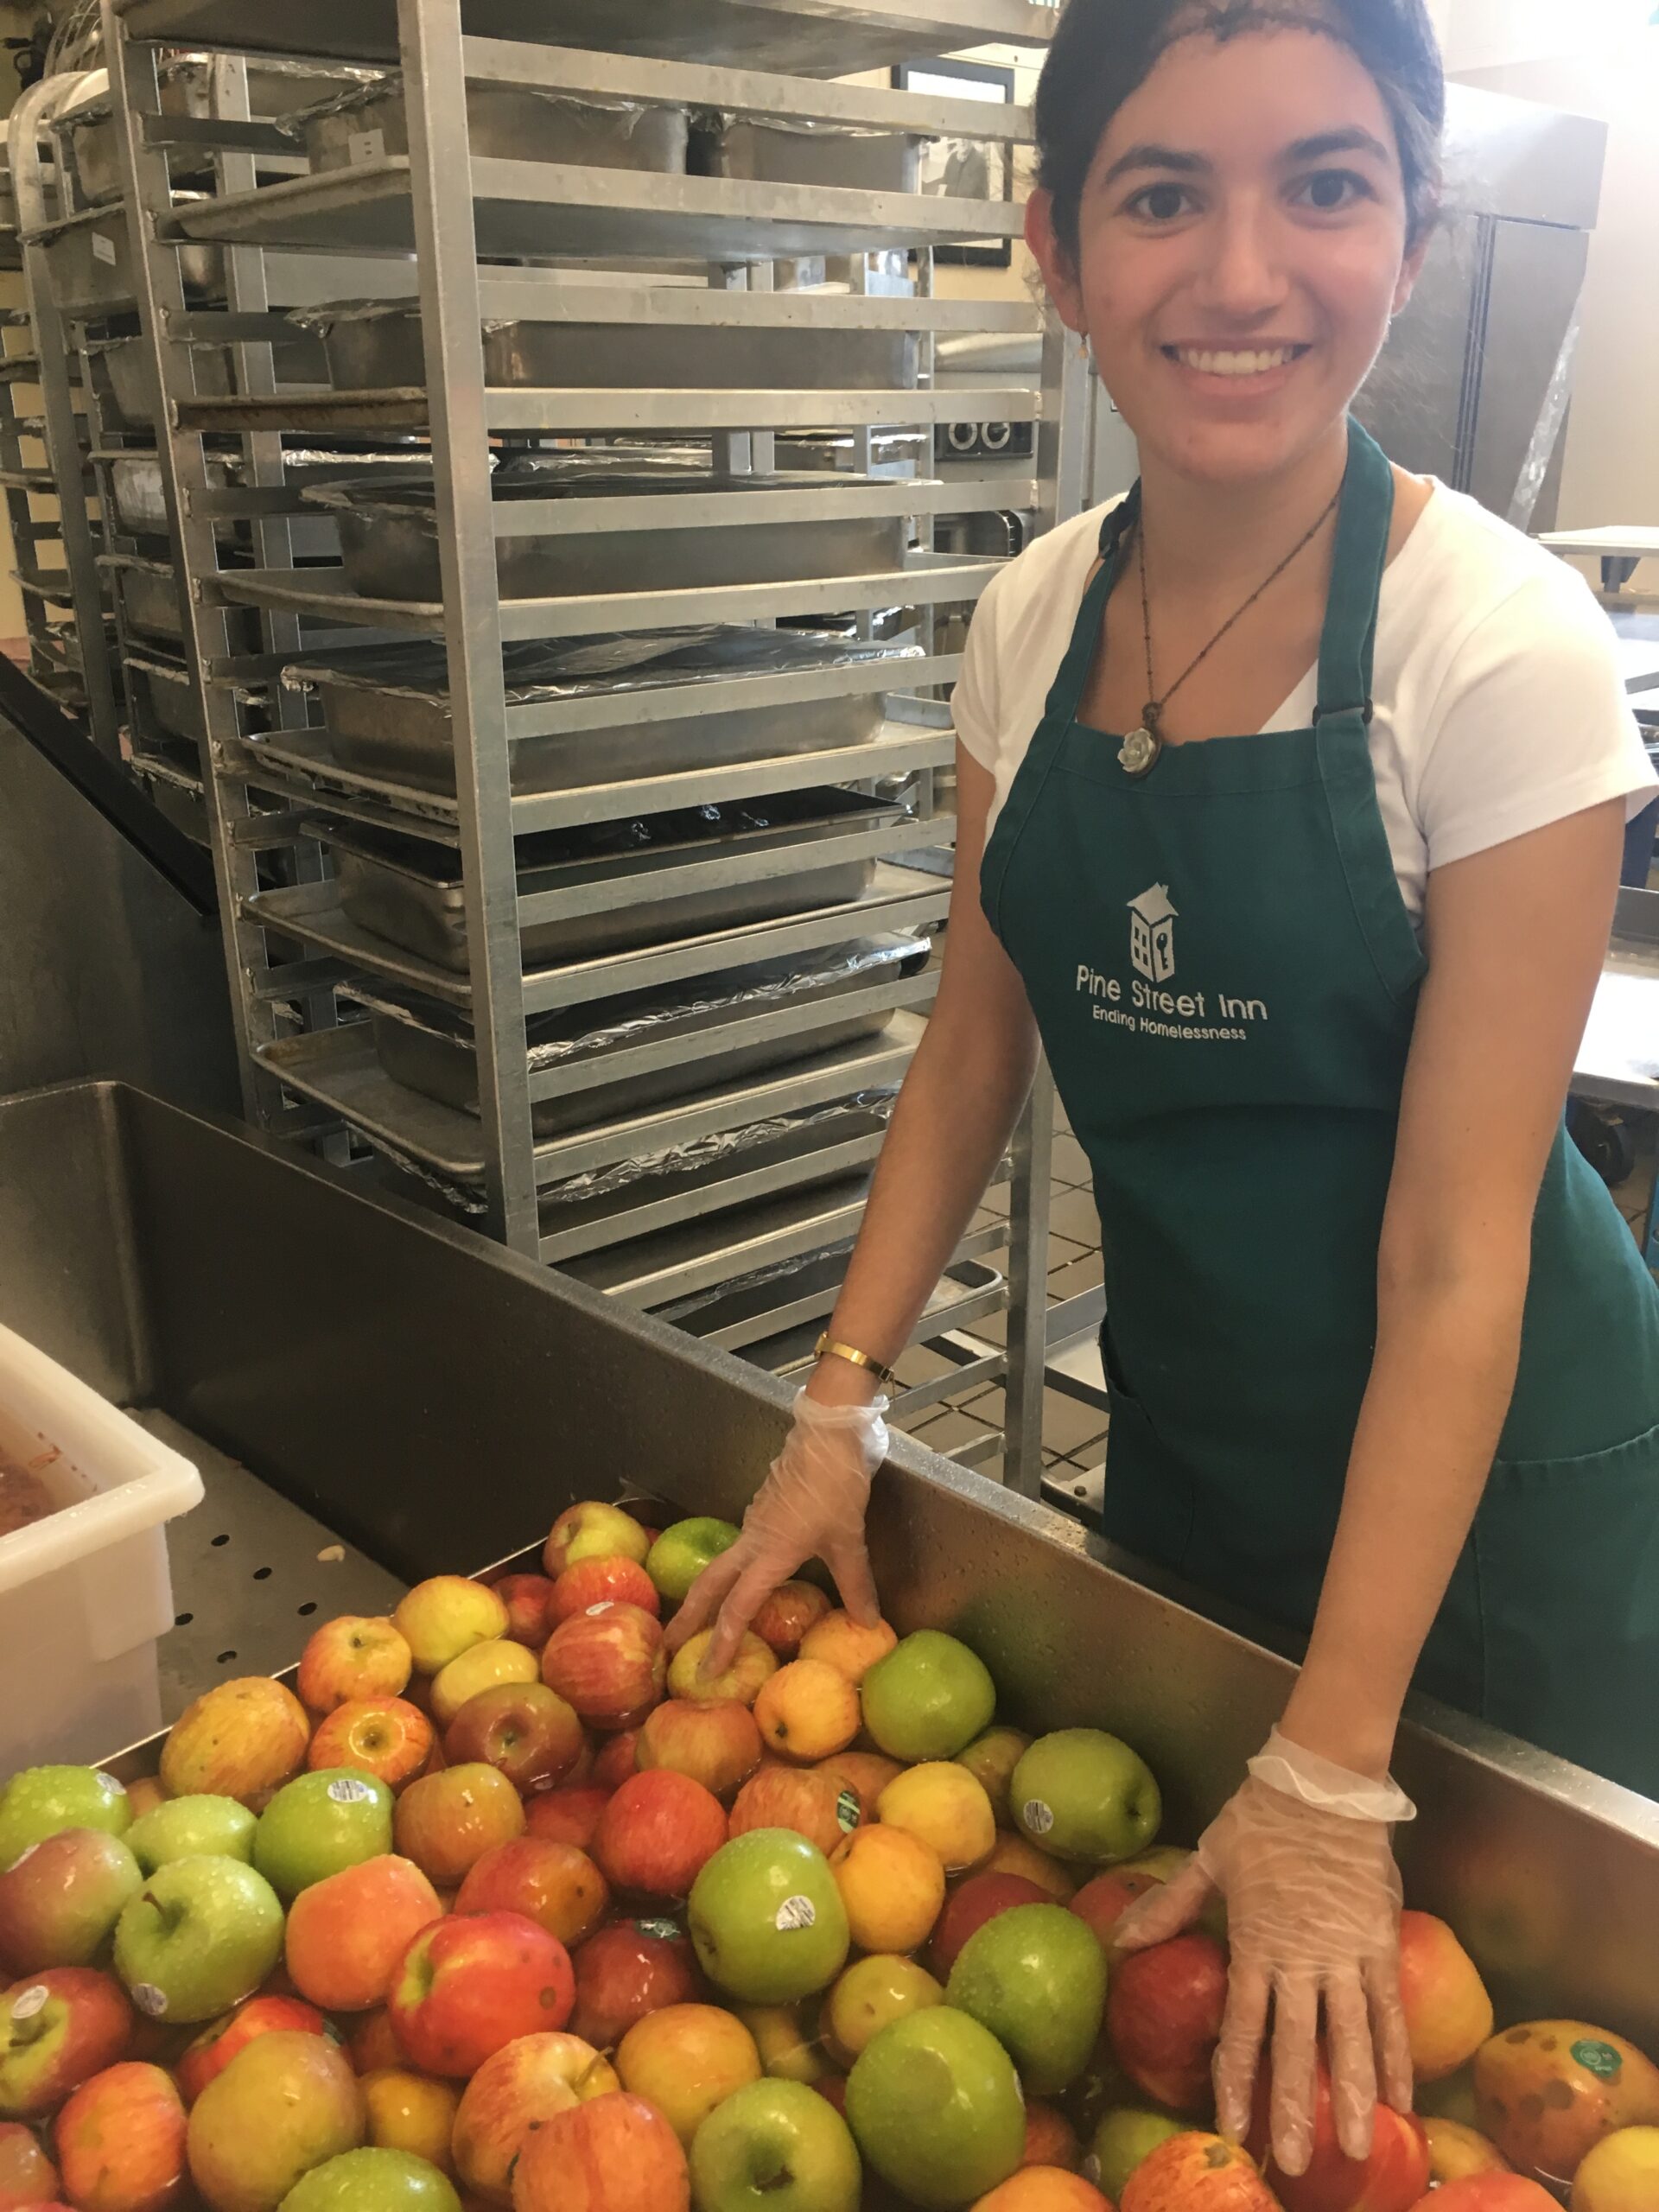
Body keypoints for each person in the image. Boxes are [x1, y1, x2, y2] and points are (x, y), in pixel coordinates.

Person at [670, 0, 1659, 2177]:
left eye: (1326, 185)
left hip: (1488, 1515)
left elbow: (1455, 1242)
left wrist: (1335, 1762)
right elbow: (972, 1039)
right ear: (1058, 247)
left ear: (1407, 229)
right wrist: (840, 1397)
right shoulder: (1027, 621)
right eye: (1161, 195)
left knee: (1526, 2095)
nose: (1241, 274)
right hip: (1196, 1463)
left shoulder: (1492, 655)